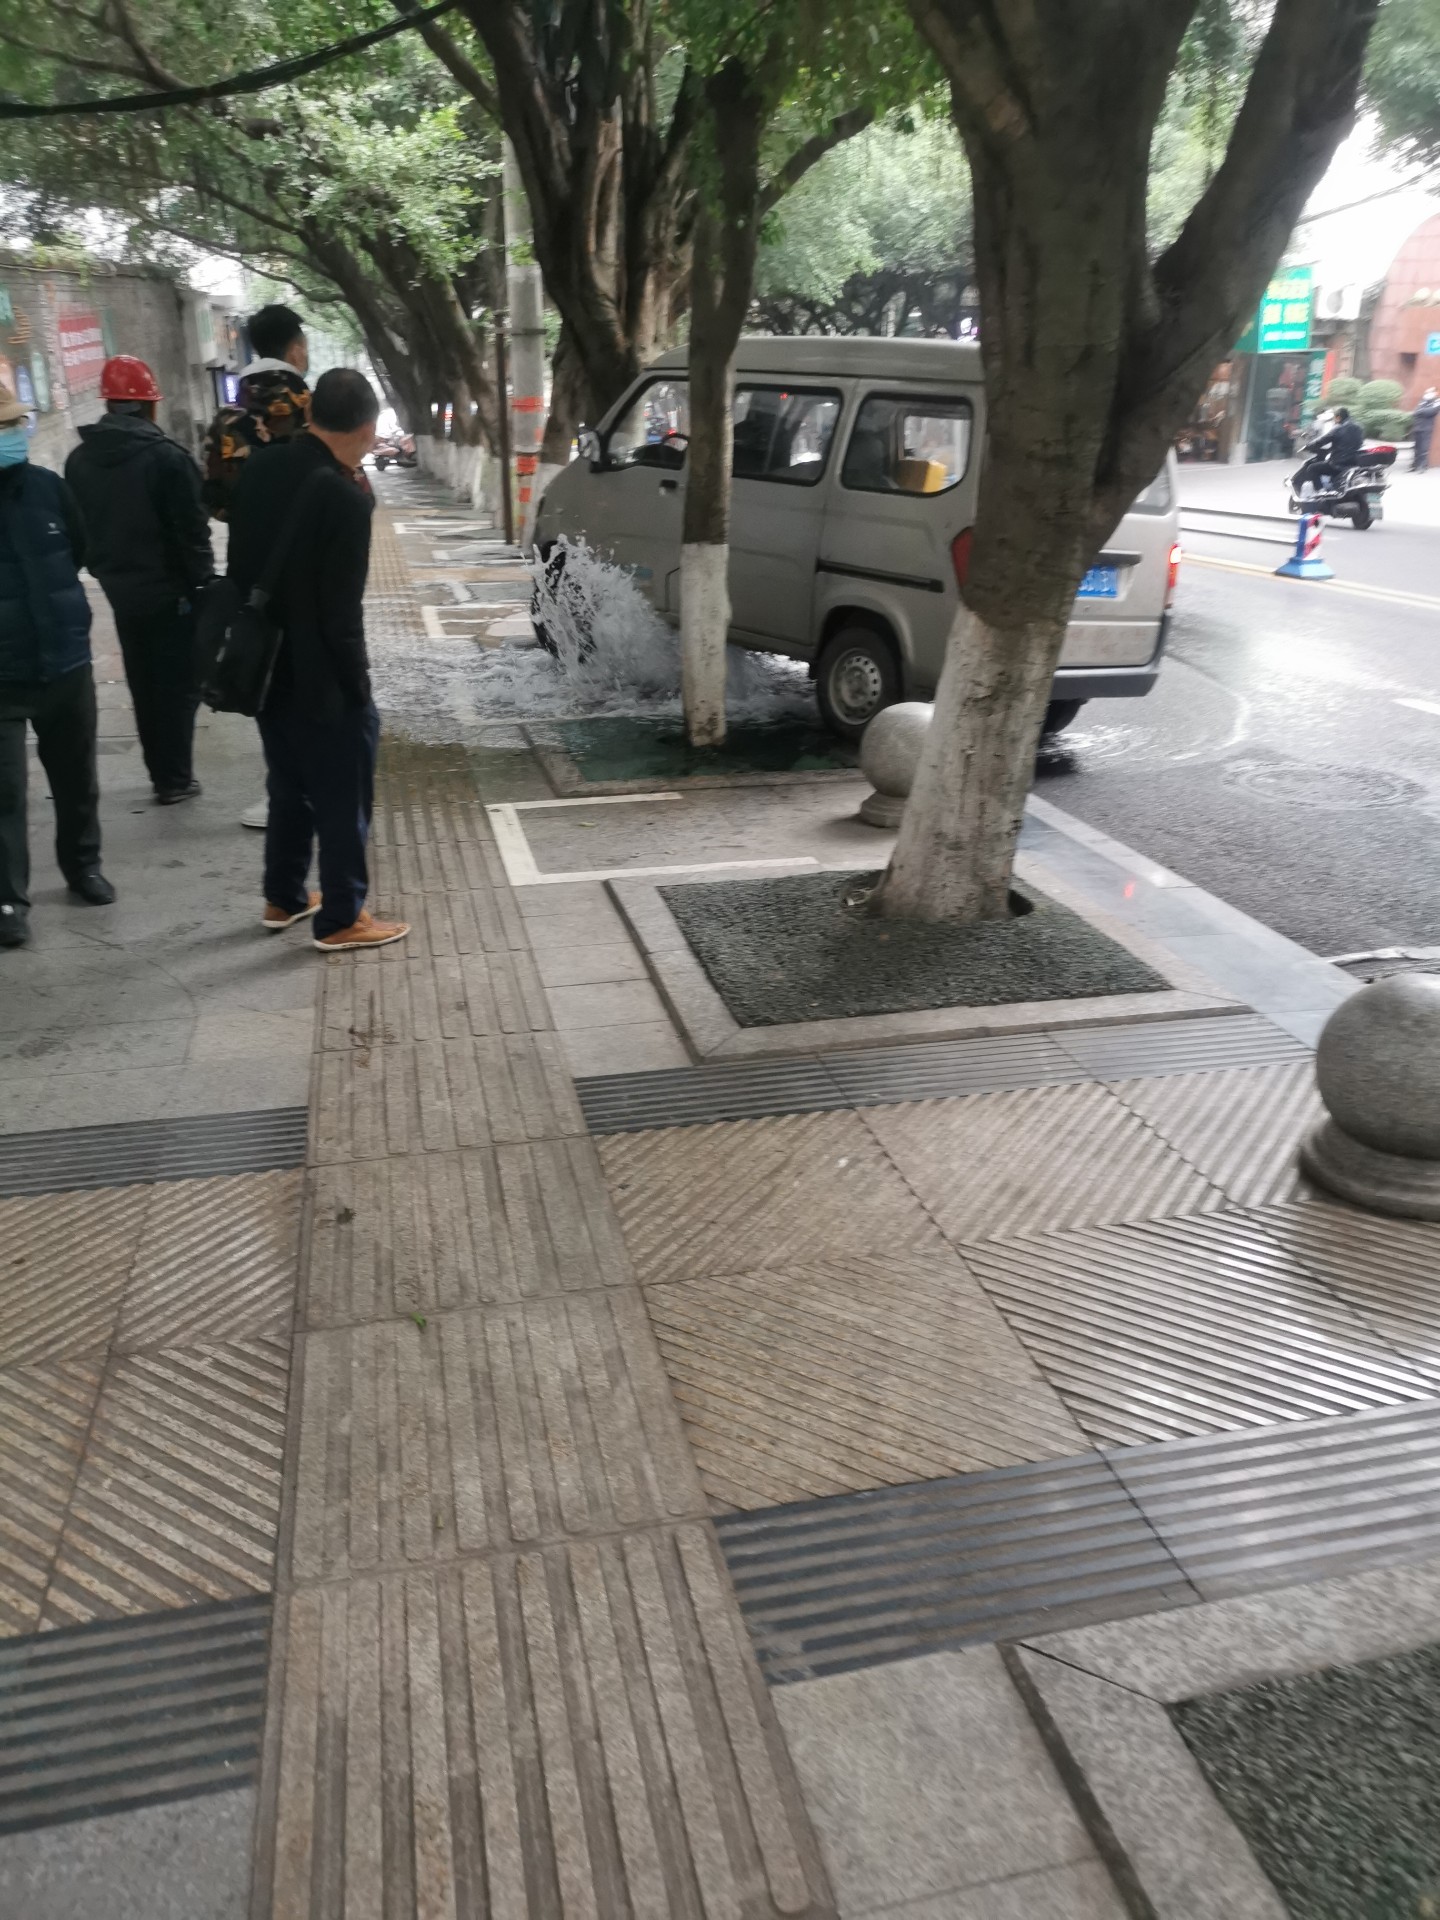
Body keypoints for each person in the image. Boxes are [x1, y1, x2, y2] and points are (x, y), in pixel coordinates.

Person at [227, 367, 408, 952]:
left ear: (310, 414)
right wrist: (359, 689)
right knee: (343, 797)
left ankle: (283, 896)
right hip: (322, 676)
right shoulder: (346, 498)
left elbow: (240, 566)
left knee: (288, 785)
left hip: (264, 665)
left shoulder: (260, 466)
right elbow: (340, 614)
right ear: (367, 429)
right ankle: (341, 917)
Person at [65, 356, 214, 804]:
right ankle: (174, 778)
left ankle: (163, 774)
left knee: (144, 683)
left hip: (120, 592)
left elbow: (79, 530)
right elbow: (192, 533)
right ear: (150, 406)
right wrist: (203, 586)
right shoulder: (167, 459)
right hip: (172, 594)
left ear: (108, 405)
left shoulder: (79, 461)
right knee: (179, 686)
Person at [0, 387, 115, 948]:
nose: (12, 435)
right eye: (2, 428)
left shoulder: (49, 489)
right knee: (4, 794)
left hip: (65, 661)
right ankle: (8, 901)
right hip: (2, 677)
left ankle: (83, 867)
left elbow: (80, 550)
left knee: (77, 780)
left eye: (13, 425)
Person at [201, 303, 312, 835]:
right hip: (313, 567)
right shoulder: (313, 409)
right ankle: (319, 784)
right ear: (295, 348)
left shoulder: (227, 421)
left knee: (266, 678)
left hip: (252, 571)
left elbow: (215, 501)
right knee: (316, 675)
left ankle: (282, 792)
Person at [1292, 406, 1365, 497]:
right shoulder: (1359, 428)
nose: (1334, 420)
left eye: (1335, 418)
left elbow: (1322, 440)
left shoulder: (1338, 428)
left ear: (1338, 417)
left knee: (1312, 468)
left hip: (1338, 464)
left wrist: (1308, 446)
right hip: (1353, 463)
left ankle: (1321, 491)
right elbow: (1359, 443)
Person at [1412, 388, 1439, 472]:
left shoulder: (1437, 402)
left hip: (1427, 428)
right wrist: (1421, 411)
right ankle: (1415, 465)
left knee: (1424, 448)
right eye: (1427, 392)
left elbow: (1431, 411)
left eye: (1430, 392)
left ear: (1435, 393)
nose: (1428, 394)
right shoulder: (1423, 401)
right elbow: (1415, 412)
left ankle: (1423, 466)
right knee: (1416, 447)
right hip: (1418, 427)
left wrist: (1420, 411)